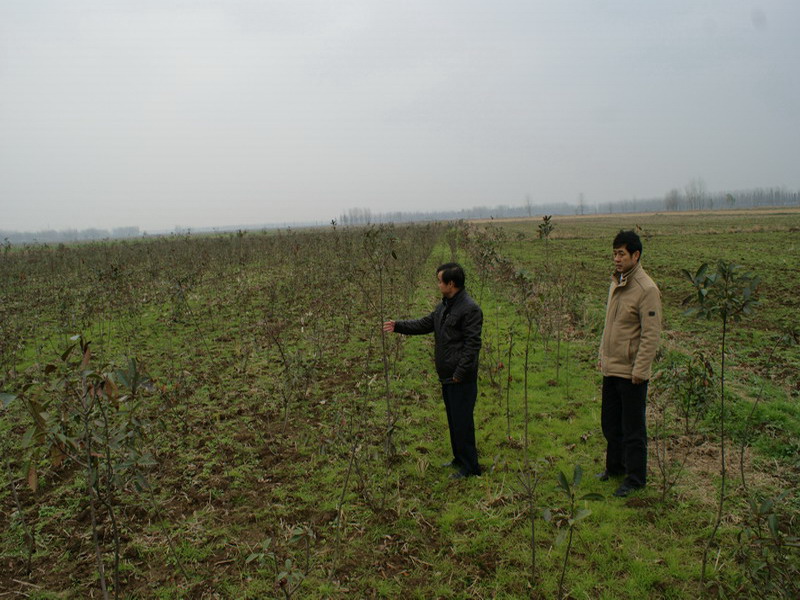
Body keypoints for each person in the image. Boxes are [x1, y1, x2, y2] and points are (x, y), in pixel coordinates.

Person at [383, 263, 483, 479]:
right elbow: (425, 324)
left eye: (439, 281)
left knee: (463, 422)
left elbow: (472, 345)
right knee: (454, 420)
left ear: (451, 284)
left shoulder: (470, 309)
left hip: (460, 378)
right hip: (448, 376)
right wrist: (398, 326)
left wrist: (460, 373)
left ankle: (471, 467)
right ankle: (459, 459)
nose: (438, 285)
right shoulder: (444, 306)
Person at [597, 230, 661, 497]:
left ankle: (635, 479)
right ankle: (615, 468)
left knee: (633, 429)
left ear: (636, 255)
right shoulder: (616, 283)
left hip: (631, 372)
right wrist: (602, 356)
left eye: (621, 254)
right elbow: (609, 326)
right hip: (612, 367)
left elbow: (650, 334)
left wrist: (641, 370)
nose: (617, 258)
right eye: (614, 253)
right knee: (610, 424)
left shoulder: (647, 289)